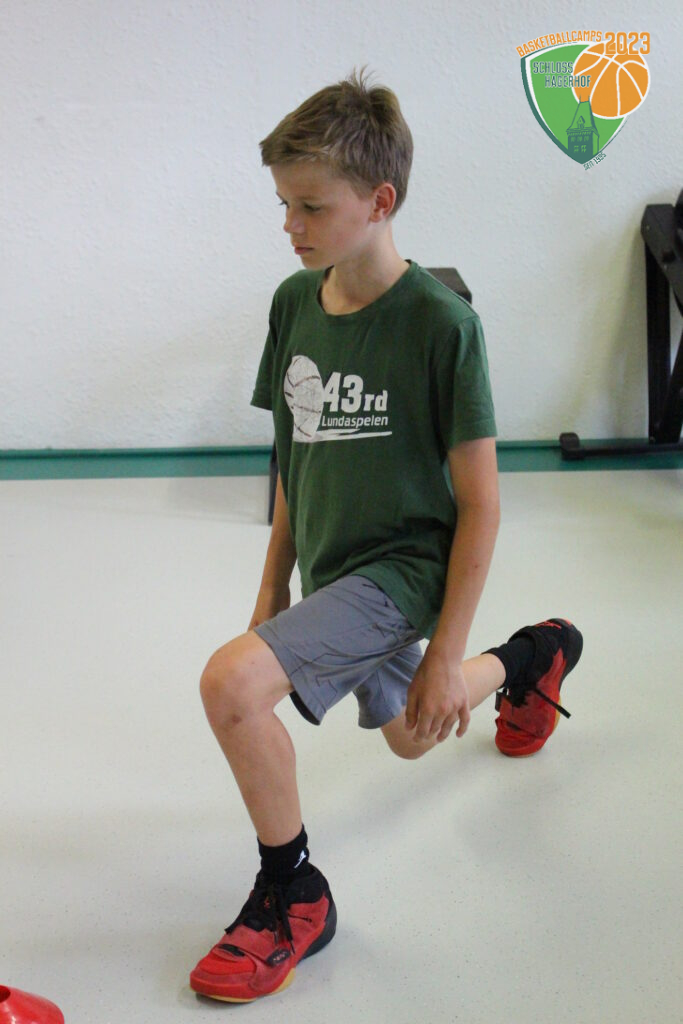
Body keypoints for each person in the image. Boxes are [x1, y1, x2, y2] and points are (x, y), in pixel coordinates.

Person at [189, 67, 583, 1004]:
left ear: (379, 201)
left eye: (311, 207)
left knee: (232, 686)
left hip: (404, 570)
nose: (290, 226)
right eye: (283, 204)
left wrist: (442, 650)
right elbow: (297, 458)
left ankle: (293, 895)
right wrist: (271, 589)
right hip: (332, 570)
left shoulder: (442, 326)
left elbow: (481, 504)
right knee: (411, 734)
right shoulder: (294, 303)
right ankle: (535, 655)